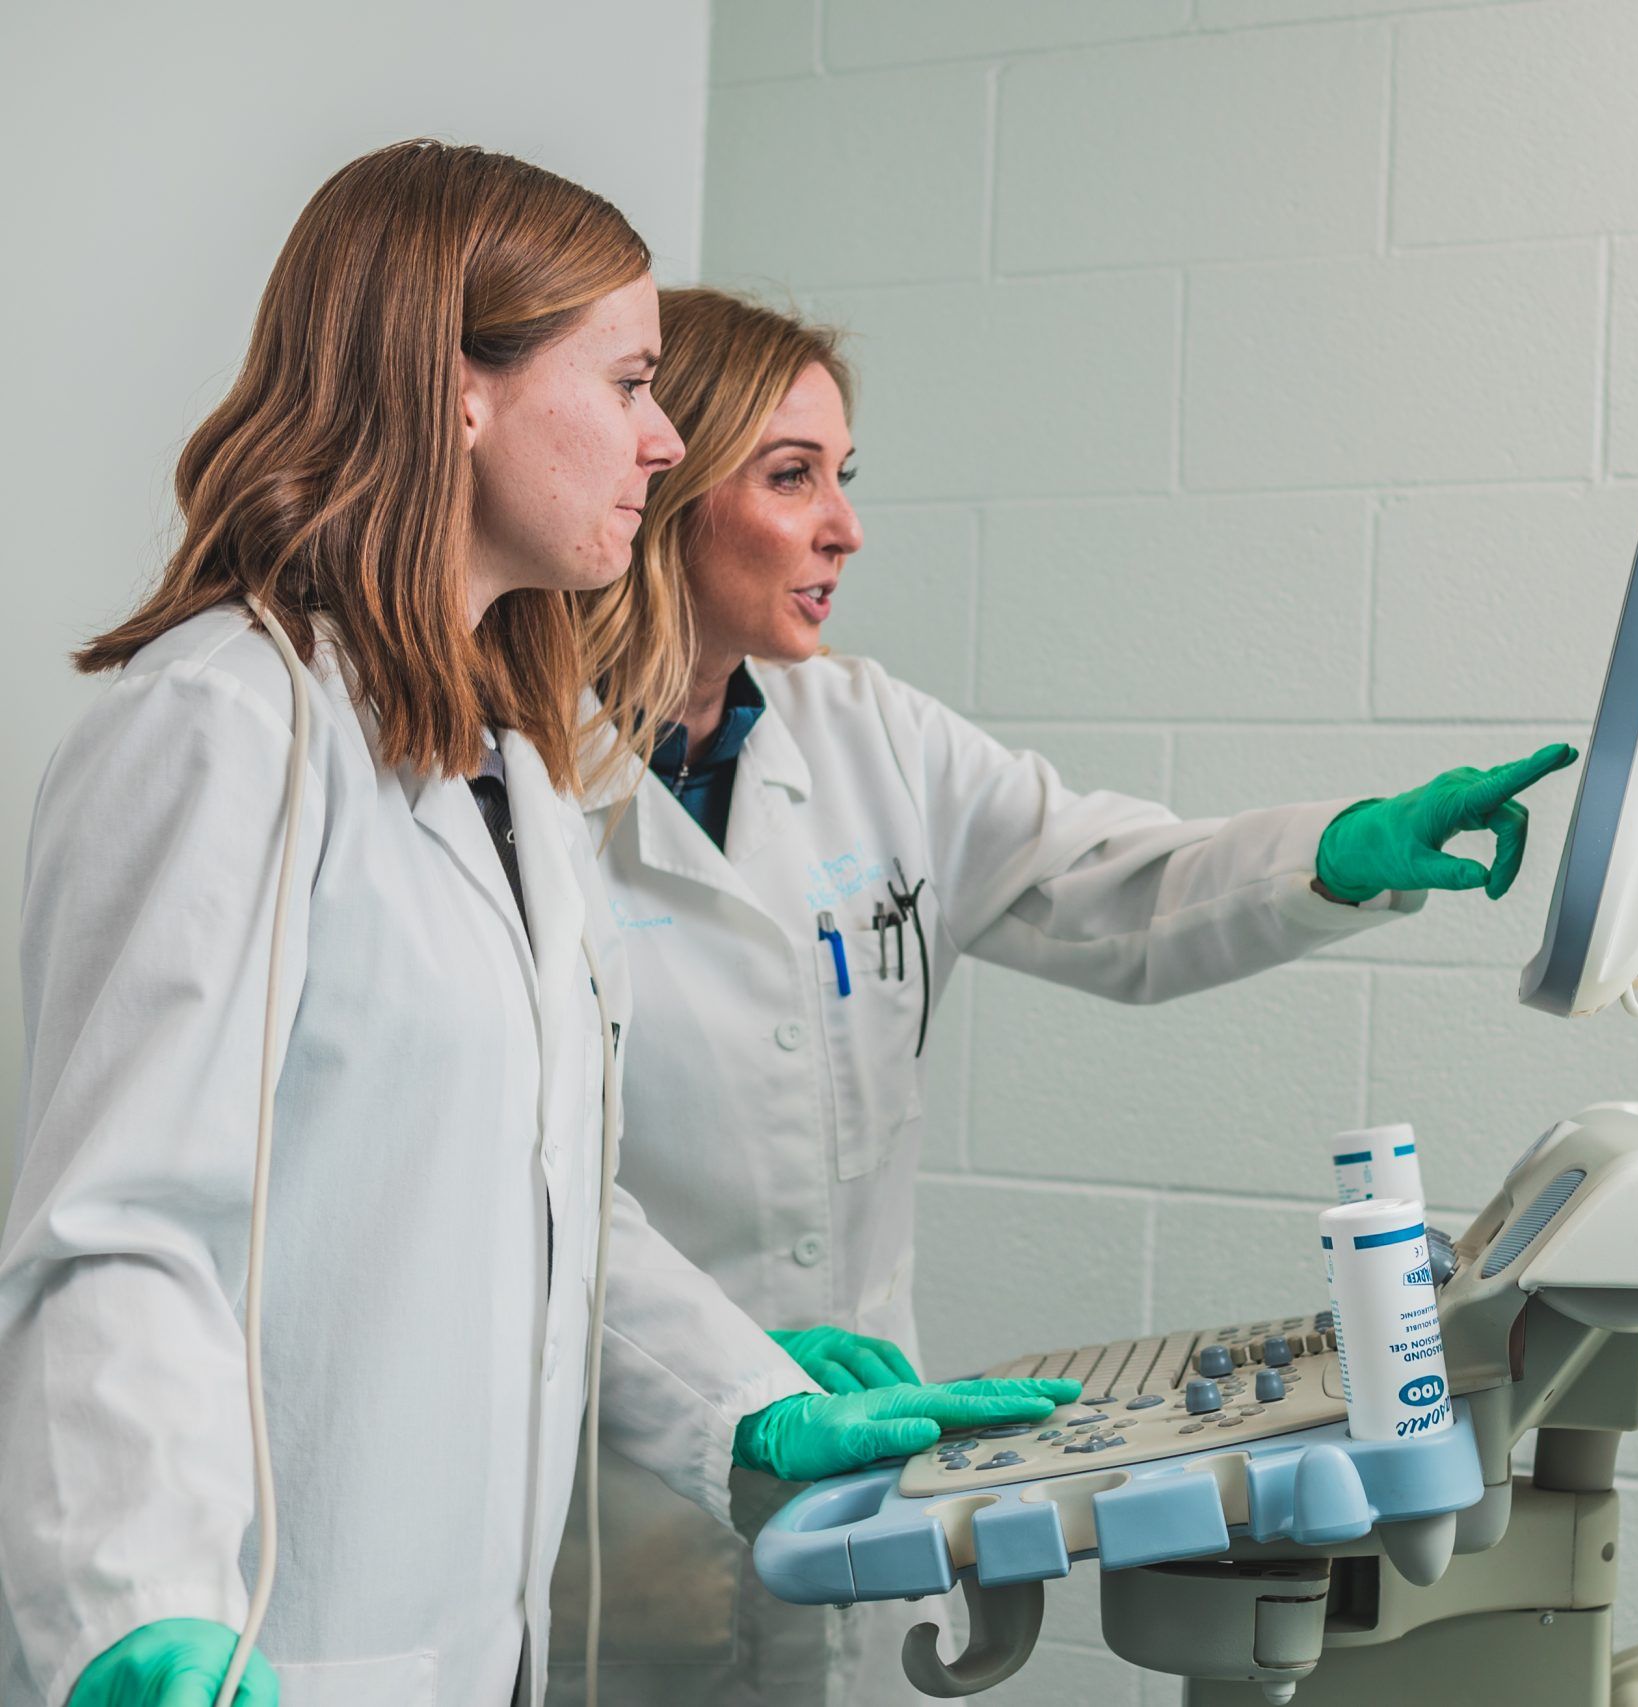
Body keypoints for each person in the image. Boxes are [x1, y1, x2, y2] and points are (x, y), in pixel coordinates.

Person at [0, 145, 1069, 1707]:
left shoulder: (508, 769)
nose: (663, 440)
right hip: (265, 1654)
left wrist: (744, 1401)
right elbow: (122, 1228)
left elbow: (550, 1198)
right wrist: (133, 1608)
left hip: (473, 1647)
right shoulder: (227, 725)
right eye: (633, 382)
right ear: (459, 392)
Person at [554, 286, 1577, 1704]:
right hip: (595, 1506)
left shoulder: (867, 734)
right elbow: (508, 1189)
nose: (844, 527)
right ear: (661, 481)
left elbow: (1111, 887)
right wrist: (724, 1377)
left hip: (848, 1468)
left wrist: (1337, 856)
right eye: (792, 477)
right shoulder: (506, 787)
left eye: (844, 478)